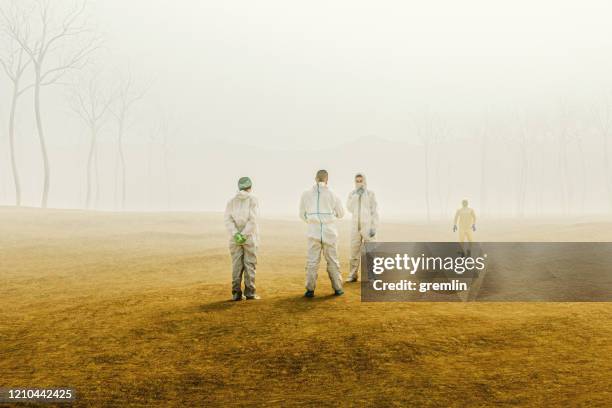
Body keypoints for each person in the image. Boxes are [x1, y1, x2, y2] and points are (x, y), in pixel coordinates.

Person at [299, 169, 345, 297]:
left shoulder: (306, 194)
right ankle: (338, 288)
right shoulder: (333, 194)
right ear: (327, 179)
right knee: (333, 261)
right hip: (329, 231)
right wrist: (331, 216)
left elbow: (301, 215)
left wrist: (312, 221)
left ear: (315, 178)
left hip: (313, 231)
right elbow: (341, 214)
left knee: (312, 261)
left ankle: (309, 290)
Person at [224, 176, 260, 301]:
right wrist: (244, 235)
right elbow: (253, 220)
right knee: (249, 264)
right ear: (250, 187)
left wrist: (236, 234)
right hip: (250, 237)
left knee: (236, 265)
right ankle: (250, 293)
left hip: (235, 238)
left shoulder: (231, 201)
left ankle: (236, 293)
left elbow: (228, 220)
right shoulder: (253, 199)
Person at [346, 172, 379, 282]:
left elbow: (374, 211)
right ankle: (353, 274)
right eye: (357, 181)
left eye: (361, 181)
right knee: (354, 251)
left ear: (365, 181)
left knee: (370, 251)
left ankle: (371, 276)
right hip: (355, 226)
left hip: (367, 227)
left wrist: (374, 227)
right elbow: (349, 208)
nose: (359, 183)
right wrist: (356, 195)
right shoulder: (352, 194)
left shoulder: (370, 194)